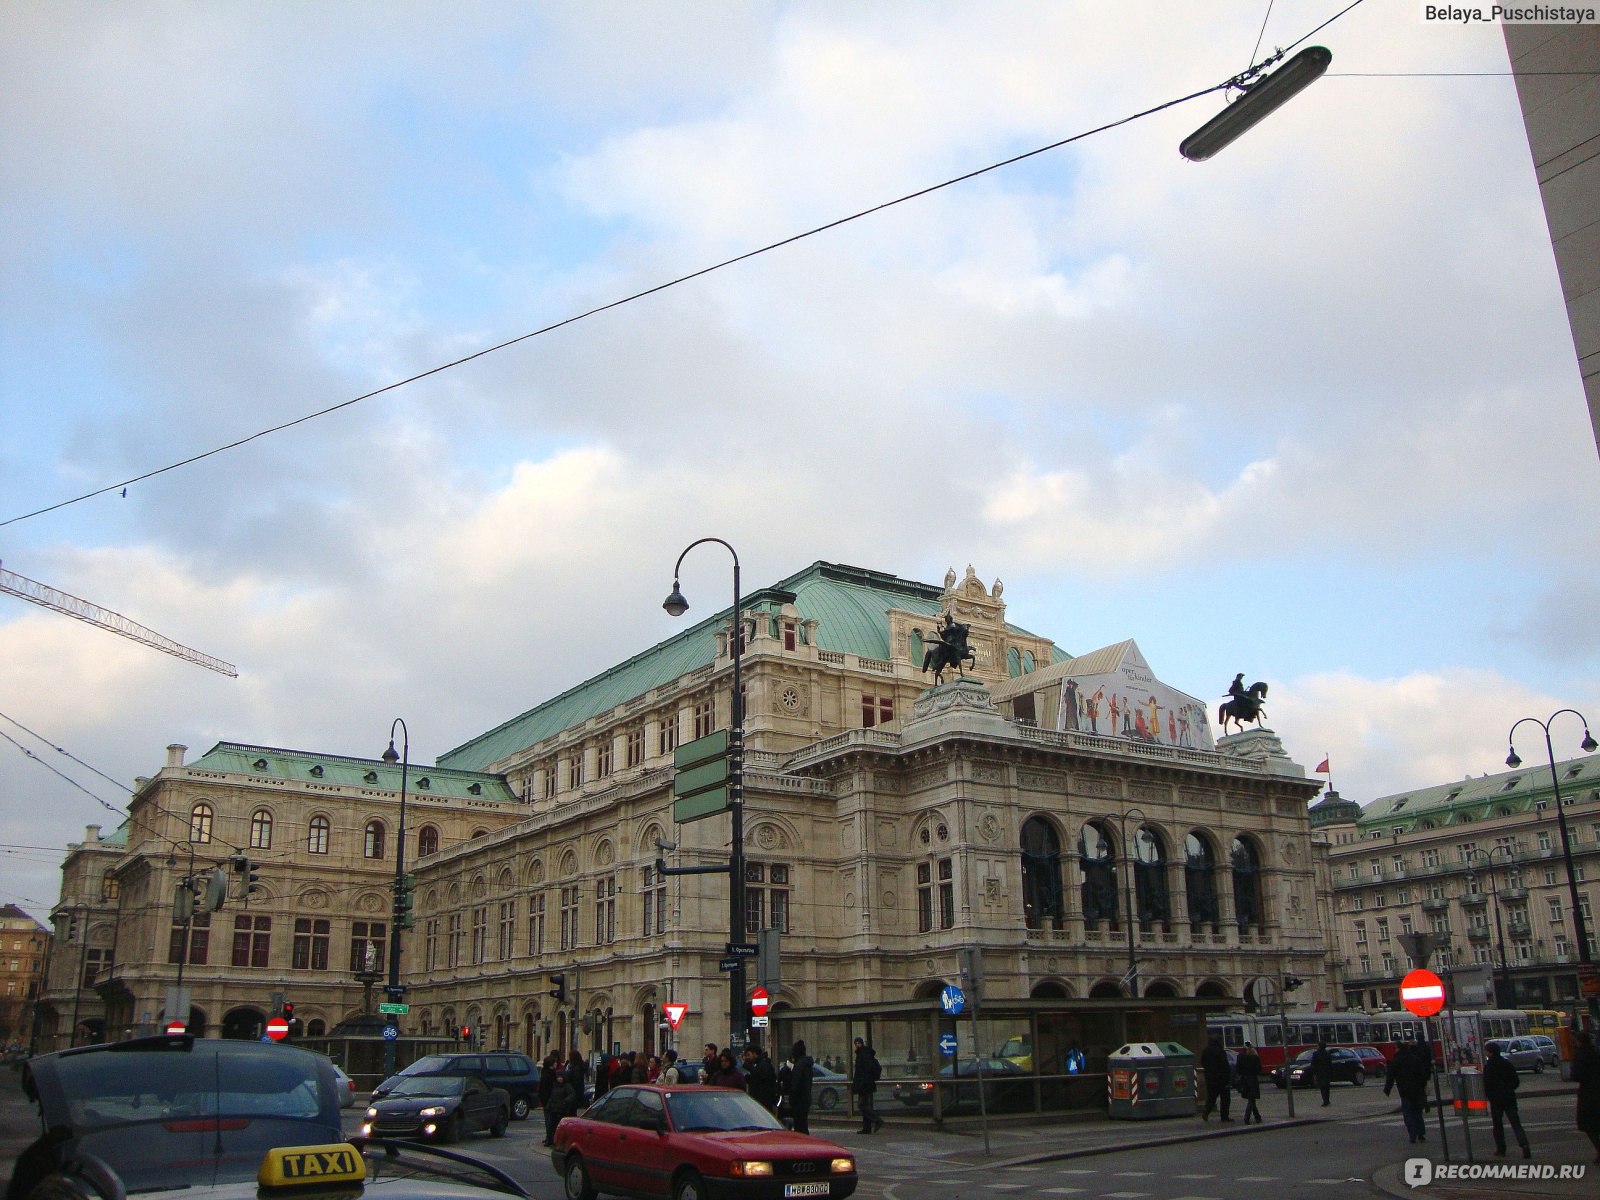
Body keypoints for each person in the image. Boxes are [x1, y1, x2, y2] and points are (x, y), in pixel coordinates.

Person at [1482, 1041, 1531, 1158]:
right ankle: (1524, 1145)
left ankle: (1501, 1149)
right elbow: (1515, 1081)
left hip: (1496, 1100)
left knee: (1498, 1125)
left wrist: (1490, 1096)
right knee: (1516, 1123)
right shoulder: (1506, 1063)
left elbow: (1487, 1084)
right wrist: (1509, 1089)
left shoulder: (1489, 1066)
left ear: (1490, 1052)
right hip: (1509, 1097)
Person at [1384, 1041, 1431, 1145]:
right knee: (1418, 1113)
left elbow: (1390, 1076)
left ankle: (1412, 1135)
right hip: (1417, 1090)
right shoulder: (1415, 1059)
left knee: (1408, 1114)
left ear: (1399, 1049)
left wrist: (1387, 1089)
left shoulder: (1396, 1060)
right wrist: (1423, 1086)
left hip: (1405, 1091)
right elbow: (1422, 1075)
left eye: (1395, 1048)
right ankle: (1421, 1134)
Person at [1572, 1029, 1600, 1164]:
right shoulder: (1595, 1053)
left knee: (1589, 1124)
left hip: (1588, 1093)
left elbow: (1576, 1075)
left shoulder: (1580, 1055)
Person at [852, 1037, 883, 1133]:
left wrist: (862, 1083)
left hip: (865, 1084)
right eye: (856, 1043)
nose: (857, 1044)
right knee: (865, 1105)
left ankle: (877, 1120)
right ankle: (867, 1128)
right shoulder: (863, 1053)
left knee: (861, 1105)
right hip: (866, 1084)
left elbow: (864, 1070)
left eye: (858, 1043)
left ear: (861, 1043)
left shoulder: (863, 1054)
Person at [786, 1039, 815, 1134]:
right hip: (806, 1098)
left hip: (799, 1100)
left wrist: (792, 1099)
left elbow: (795, 1085)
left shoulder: (799, 1066)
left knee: (800, 1125)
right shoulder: (807, 1064)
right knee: (803, 1123)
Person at [1200, 1036, 1232, 1122]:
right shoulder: (1220, 1052)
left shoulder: (1205, 1051)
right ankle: (1224, 1116)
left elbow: (1203, 1063)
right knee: (1225, 1099)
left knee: (1211, 1097)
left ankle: (1206, 1111)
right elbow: (1225, 1066)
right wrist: (1228, 1077)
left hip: (1210, 1079)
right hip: (1222, 1079)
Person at [544, 1070, 578, 1147]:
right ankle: (551, 1140)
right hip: (554, 1109)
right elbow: (552, 1097)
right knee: (551, 1126)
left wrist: (565, 1101)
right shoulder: (555, 1086)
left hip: (562, 1110)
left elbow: (572, 1095)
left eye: (560, 1077)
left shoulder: (567, 1086)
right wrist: (549, 1105)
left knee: (560, 1127)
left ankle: (559, 1142)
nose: (559, 1079)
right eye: (558, 1077)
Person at [744, 1045, 779, 1112]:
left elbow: (763, 1078)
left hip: (764, 1102)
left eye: (748, 1055)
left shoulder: (763, 1064)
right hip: (758, 1102)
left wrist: (750, 1068)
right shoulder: (757, 1065)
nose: (747, 1058)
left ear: (754, 1054)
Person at [1235, 1042, 1263, 1125]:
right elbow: (1259, 1069)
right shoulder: (1254, 1058)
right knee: (1251, 1099)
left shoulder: (1240, 1057)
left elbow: (1238, 1069)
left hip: (1244, 1080)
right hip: (1252, 1080)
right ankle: (1246, 1117)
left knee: (1251, 1099)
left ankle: (1257, 1116)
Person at [1311, 1040, 1333, 1107]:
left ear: (1319, 1046)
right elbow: (1330, 1063)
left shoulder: (1316, 1054)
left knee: (1322, 1087)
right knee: (1327, 1087)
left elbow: (1313, 1063)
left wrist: (1314, 1072)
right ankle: (1327, 1100)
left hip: (1319, 1072)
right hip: (1327, 1072)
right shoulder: (1327, 1054)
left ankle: (1325, 1101)